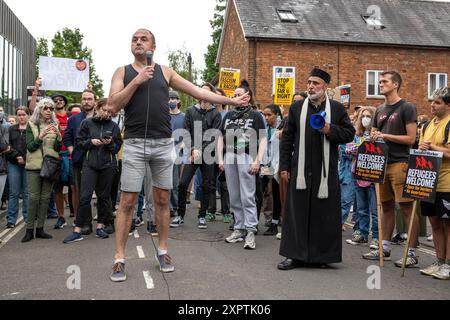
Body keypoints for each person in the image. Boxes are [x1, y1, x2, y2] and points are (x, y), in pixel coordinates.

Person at [107, 28, 248, 280]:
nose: (138, 42)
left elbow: (198, 92)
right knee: (127, 202)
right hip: (135, 143)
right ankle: (119, 258)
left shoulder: (165, 71)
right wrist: (137, 80)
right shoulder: (122, 72)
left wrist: (230, 102)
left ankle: (163, 251)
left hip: (163, 144)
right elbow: (113, 104)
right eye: (134, 39)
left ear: (153, 45)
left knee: (162, 199)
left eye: (143, 39)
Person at [278, 68, 355, 270]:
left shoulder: (337, 109)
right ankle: (294, 255)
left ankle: (321, 256)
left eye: (316, 83)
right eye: (309, 82)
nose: (311, 86)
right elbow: (287, 139)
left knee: (324, 214)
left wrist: (330, 129)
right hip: (300, 170)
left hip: (325, 171)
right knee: (297, 213)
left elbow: (349, 133)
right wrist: (284, 165)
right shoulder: (297, 108)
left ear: (325, 87)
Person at [362, 71, 419, 268]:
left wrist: (385, 136)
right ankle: (383, 247)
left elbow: (411, 139)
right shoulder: (379, 109)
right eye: (380, 82)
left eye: (384, 81)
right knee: (385, 207)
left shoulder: (407, 107)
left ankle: (411, 252)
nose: (380, 84)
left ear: (395, 84)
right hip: (381, 164)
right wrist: (372, 136)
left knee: (406, 208)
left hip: (400, 163)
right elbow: (375, 134)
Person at [63, 98, 122, 243]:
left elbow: (116, 148)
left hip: (108, 165)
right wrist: (91, 142)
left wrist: (110, 143)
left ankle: (100, 226)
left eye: (109, 111)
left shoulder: (114, 126)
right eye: (104, 110)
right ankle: (77, 230)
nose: (107, 113)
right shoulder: (86, 123)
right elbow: (78, 142)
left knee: (103, 197)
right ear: (97, 108)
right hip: (89, 164)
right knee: (84, 197)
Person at [218, 81, 267, 250]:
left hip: (247, 155)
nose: (235, 97)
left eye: (239, 94)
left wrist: (257, 160)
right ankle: (239, 228)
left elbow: (262, 139)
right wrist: (220, 158)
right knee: (234, 195)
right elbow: (220, 137)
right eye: (234, 95)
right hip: (230, 155)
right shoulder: (228, 116)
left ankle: (251, 230)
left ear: (247, 97)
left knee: (248, 195)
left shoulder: (256, 115)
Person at [171, 83, 221, 229]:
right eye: (201, 91)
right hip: (192, 154)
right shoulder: (190, 111)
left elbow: (215, 136)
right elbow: (186, 132)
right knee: (182, 184)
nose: (204, 95)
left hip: (208, 155)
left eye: (207, 92)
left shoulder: (215, 114)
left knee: (207, 185)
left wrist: (201, 150)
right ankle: (180, 215)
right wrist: (193, 149)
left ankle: (202, 216)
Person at [418, 87, 450, 280]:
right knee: (435, 223)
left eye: (437, 102)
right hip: (428, 181)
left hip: (446, 182)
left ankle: (448, 264)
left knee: (447, 224)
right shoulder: (428, 125)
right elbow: (424, 150)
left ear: (448, 105)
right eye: (432, 101)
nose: (432, 105)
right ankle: (439, 261)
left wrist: (431, 147)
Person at [21, 98, 62, 243]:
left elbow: (57, 148)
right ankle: (29, 230)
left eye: (51, 109)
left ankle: (40, 229)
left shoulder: (55, 124)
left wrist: (59, 138)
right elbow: (30, 147)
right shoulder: (31, 124)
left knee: (45, 198)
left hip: (50, 166)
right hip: (34, 166)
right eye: (46, 108)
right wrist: (41, 136)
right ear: (40, 109)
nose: (49, 111)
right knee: (33, 198)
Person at [345, 106, 379, 250]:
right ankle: (363, 234)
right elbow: (348, 149)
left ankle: (377, 238)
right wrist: (355, 148)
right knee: (362, 209)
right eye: (363, 116)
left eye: (368, 116)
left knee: (375, 210)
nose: (365, 119)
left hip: (372, 175)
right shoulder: (357, 134)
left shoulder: (377, 134)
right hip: (357, 173)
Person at [63, 90, 97, 235]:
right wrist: (72, 152)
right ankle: (86, 223)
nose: (86, 102)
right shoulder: (74, 119)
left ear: (95, 101)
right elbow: (67, 138)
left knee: (102, 193)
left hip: (99, 160)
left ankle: (104, 222)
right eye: (84, 99)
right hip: (79, 161)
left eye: (90, 99)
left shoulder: (100, 117)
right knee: (83, 194)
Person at [6, 107, 30, 228]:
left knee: (27, 192)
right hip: (13, 163)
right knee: (13, 192)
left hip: (28, 164)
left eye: (24, 114)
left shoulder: (32, 129)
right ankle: (11, 220)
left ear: (28, 115)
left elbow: (34, 146)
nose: (21, 117)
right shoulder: (11, 129)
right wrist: (17, 157)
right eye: (19, 115)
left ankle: (27, 218)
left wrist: (24, 158)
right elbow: (7, 146)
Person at [261, 104, 283, 236]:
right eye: (265, 115)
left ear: (277, 115)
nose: (266, 117)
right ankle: (253, 224)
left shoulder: (282, 127)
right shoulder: (264, 128)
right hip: (266, 165)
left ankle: (274, 224)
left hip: (277, 165)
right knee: (260, 192)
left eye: (269, 115)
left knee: (276, 195)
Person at [51, 93, 71, 230]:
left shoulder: (71, 117)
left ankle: (77, 217)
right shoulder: (49, 118)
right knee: (57, 188)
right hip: (55, 156)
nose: (58, 101)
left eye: (60, 100)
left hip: (70, 156)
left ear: (64, 102)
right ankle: (61, 217)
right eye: (55, 100)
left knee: (74, 187)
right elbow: (33, 109)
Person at [167, 91, 185, 220]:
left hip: (178, 151)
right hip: (163, 150)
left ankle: (175, 207)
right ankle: (165, 206)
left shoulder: (184, 117)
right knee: (162, 181)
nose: (172, 101)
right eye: (169, 98)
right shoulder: (163, 116)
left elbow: (188, 133)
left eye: (174, 98)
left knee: (174, 181)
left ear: (178, 101)